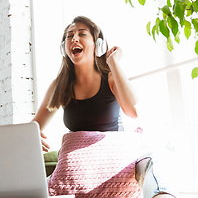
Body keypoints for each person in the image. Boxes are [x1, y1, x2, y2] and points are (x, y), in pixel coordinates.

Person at [32, 16, 175, 198]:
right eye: (69, 36)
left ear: (98, 45)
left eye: (82, 34)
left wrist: (114, 62)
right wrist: (33, 136)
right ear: (64, 48)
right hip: (80, 164)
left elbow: (133, 111)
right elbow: (34, 126)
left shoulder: (110, 78)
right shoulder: (59, 85)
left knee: (151, 160)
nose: (74, 38)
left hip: (116, 158)